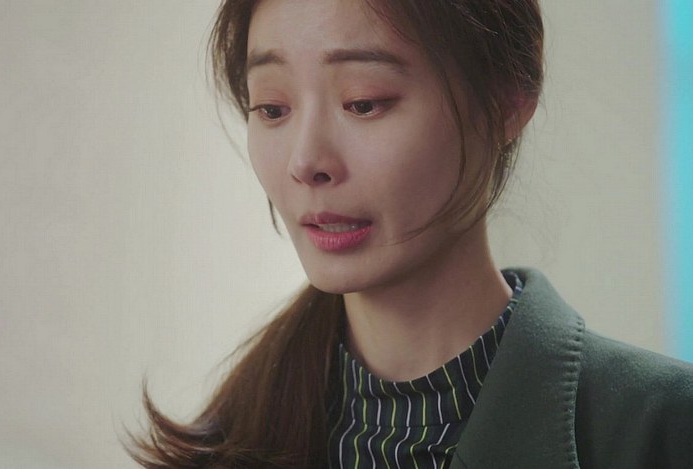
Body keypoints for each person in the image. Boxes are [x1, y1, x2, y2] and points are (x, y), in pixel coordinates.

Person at [129, 0, 693, 467]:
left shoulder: (663, 428)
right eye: (272, 108)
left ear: (507, 102)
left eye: (363, 102)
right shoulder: (224, 444)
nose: (306, 162)